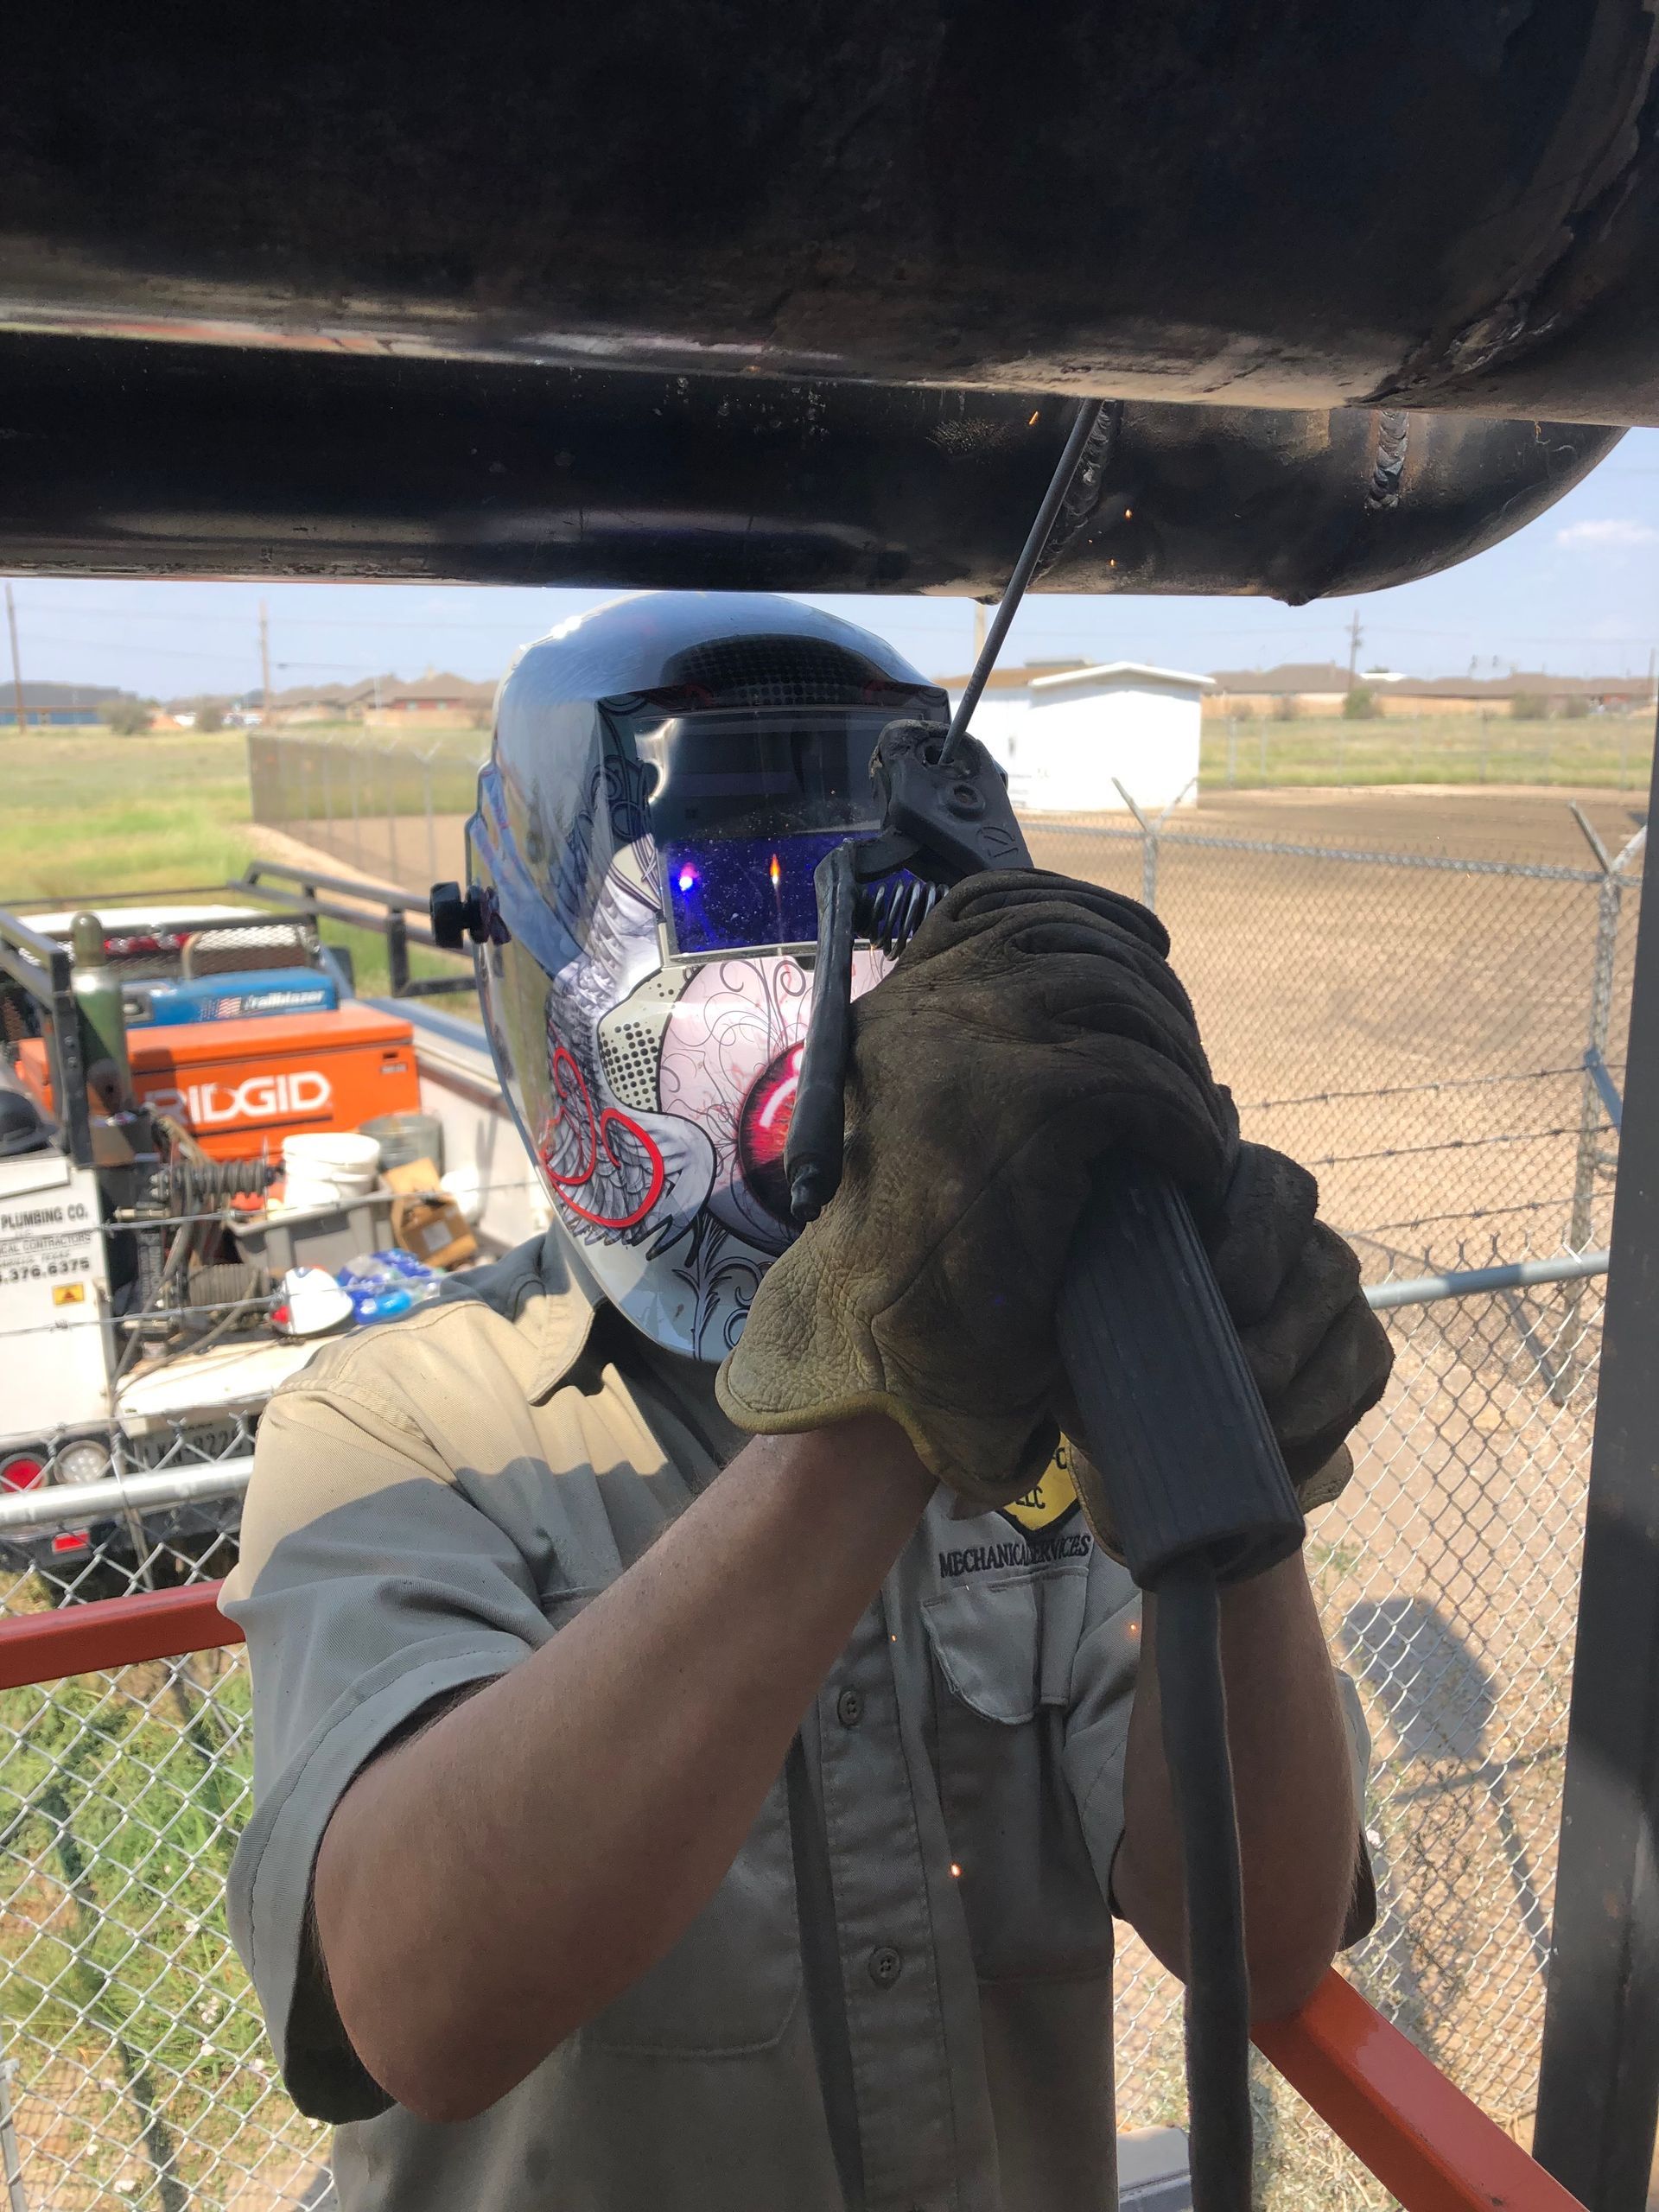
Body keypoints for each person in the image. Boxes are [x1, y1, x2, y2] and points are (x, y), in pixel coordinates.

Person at [223, 594, 1392, 2212]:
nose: (809, 963)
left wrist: (1228, 1446)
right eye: (713, 892)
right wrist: (887, 1377)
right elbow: (421, 2000)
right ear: (540, 958)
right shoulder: (399, 1426)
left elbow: (1257, 1941)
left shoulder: (1061, 1396)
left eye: (871, 894)